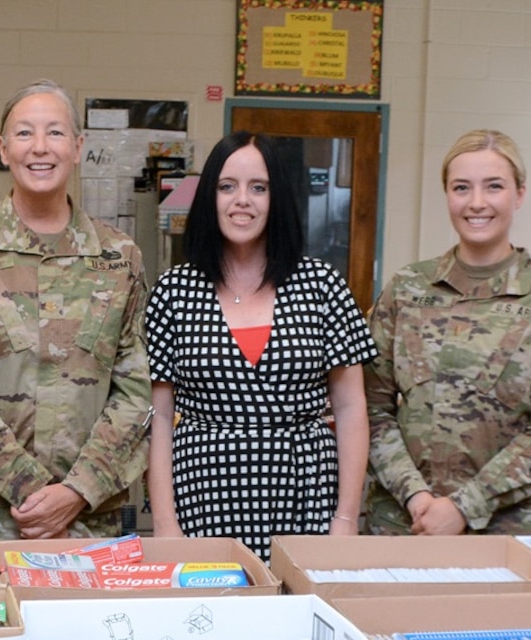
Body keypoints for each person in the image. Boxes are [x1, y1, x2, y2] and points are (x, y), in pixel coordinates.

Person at [0, 80, 150, 547]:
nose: (40, 147)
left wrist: (77, 491)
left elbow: (136, 390)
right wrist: (33, 493)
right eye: (24, 133)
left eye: (54, 133)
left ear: (77, 146)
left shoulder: (118, 256)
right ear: (3, 148)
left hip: (92, 517)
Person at [144, 131, 373, 563]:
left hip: (306, 496)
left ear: (278, 198)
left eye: (259, 188)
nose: (241, 200)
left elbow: (351, 408)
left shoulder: (322, 285)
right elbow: (159, 418)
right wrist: (164, 524)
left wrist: (345, 518)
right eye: (226, 186)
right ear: (209, 198)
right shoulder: (173, 292)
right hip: (202, 499)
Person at [364, 130, 531, 536]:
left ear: (519, 194)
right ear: (447, 195)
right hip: (402, 523)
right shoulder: (407, 288)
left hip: (505, 530)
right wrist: (416, 496)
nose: (476, 202)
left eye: (494, 187)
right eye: (461, 188)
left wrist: (466, 506)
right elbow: (369, 407)